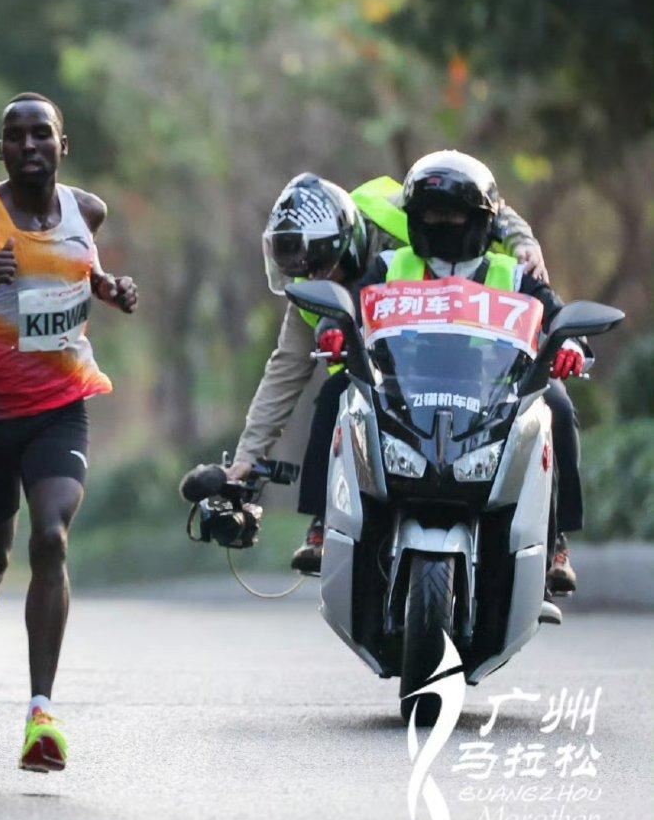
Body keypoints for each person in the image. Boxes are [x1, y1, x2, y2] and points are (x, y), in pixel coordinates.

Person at [0, 92, 138, 772]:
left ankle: (41, 712)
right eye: (17, 137)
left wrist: (106, 288)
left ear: (61, 147)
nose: (31, 146)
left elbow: (78, 267)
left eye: (43, 135)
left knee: (50, 536)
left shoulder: (85, 209)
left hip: (58, 408)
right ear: (1, 150)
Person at [234, 168, 549, 574]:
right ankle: (323, 526)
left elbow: (488, 199)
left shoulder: (400, 214)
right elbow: (284, 372)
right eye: (299, 273)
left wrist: (523, 243)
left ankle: (542, 541)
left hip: (482, 352)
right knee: (332, 398)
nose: (310, 280)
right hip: (390, 378)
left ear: (346, 245)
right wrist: (246, 459)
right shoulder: (308, 289)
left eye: (320, 270)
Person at [312, 150, 586, 596]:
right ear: (415, 220)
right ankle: (322, 524)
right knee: (335, 393)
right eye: (433, 213)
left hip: (497, 391)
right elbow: (347, 307)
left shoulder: (513, 274)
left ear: (483, 221)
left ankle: (556, 541)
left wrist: (571, 343)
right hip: (400, 389)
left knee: (555, 404)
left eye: (455, 215)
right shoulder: (388, 266)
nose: (444, 222)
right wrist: (332, 329)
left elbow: (555, 315)